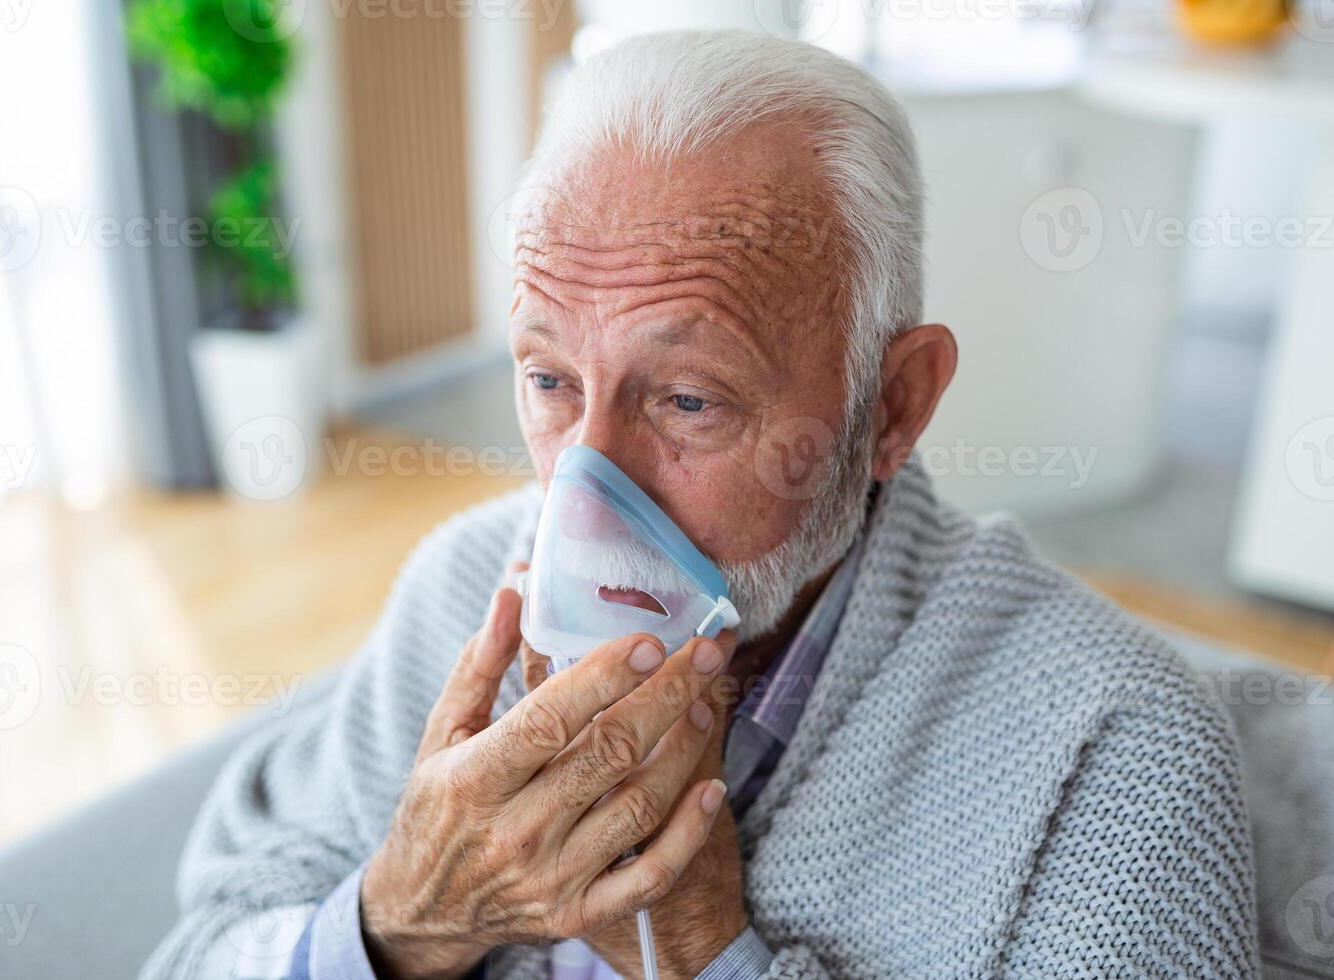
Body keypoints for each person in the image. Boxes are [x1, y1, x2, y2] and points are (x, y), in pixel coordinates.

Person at [142, 30, 1256, 979]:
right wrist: (398, 920)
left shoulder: (1115, 754)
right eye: (548, 380)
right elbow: (199, 945)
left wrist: (707, 948)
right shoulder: (459, 588)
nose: (587, 485)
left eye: (686, 398)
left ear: (894, 405)